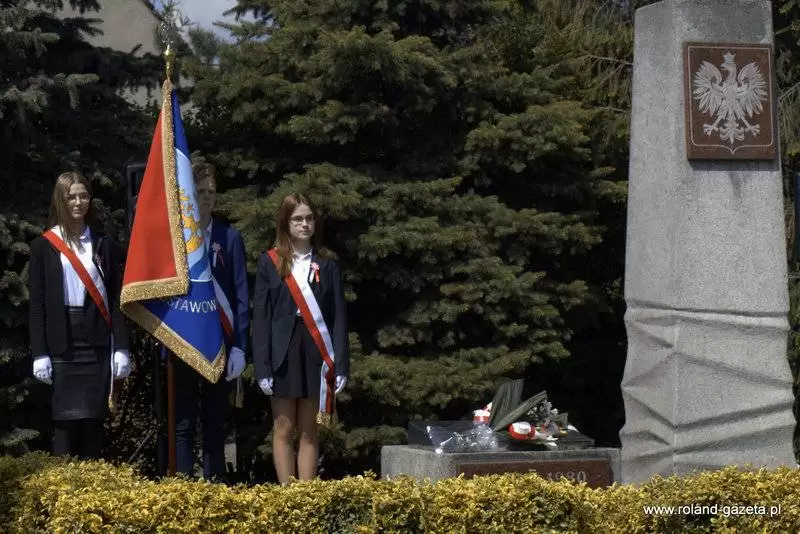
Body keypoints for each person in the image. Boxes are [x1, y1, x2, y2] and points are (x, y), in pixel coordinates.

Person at [28, 171, 131, 459]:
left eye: (83, 196)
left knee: (92, 427)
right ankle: (64, 486)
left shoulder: (103, 246)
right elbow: (37, 305)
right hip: (62, 342)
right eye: (71, 196)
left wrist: (122, 347)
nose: (78, 202)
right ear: (60, 200)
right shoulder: (43, 246)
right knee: (63, 426)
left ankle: (91, 485)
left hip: (96, 342)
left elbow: (114, 299)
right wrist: (39, 353)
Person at [253, 193, 349, 484]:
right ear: (286, 222)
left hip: (316, 350)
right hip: (283, 351)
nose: (304, 224)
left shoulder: (328, 264)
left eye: (309, 218)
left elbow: (338, 317)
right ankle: (287, 498)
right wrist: (262, 367)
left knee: (309, 430)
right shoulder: (270, 262)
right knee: (283, 427)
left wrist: (341, 365)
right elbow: (262, 319)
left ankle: (306, 497)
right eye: (297, 219)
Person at [170, 162, 249, 480]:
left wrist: (240, 346)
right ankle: (182, 487)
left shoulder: (229, 237)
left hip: (220, 342)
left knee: (215, 422)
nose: (206, 197)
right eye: (200, 191)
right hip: (185, 339)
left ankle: (214, 486)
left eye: (211, 192)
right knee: (183, 422)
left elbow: (241, 295)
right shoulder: (178, 237)